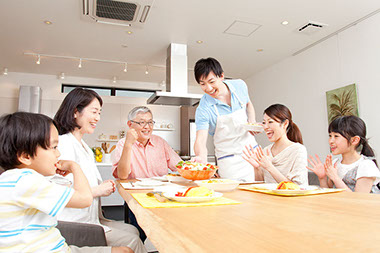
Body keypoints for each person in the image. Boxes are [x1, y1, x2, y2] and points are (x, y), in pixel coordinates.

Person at [0, 112, 132, 253]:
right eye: (54, 148)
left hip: (53, 246)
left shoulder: (12, 179)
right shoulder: (26, 181)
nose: (58, 154)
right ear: (25, 156)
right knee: (125, 251)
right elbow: (85, 199)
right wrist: (74, 166)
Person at [54, 88, 146, 253]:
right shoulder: (63, 144)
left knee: (133, 230)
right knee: (132, 239)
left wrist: (101, 186)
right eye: (94, 112)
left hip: (92, 218)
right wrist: (99, 190)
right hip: (75, 222)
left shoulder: (84, 147)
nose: (97, 118)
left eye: (100, 113)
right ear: (76, 112)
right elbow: (61, 193)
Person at [193, 57, 258, 181]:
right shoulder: (203, 108)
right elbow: (200, 141)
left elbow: (248, 103)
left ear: (221, 76)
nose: (208, 88)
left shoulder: (240, 85)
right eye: (202, 84)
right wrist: (201, 160)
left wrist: (252, 121)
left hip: (253, 155)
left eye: (211, 81)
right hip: (229, 162)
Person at [307, 116, 380, 193]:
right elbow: (329, 194)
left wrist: (335, 178)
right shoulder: (335, 163)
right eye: (330, 136)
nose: (331, 141)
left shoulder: (366, 166)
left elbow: (359, 200)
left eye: (336, 136)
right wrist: (322, 178)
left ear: (354, 140)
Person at [243, 104, 308, 185]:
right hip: (269, 197)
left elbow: (296, 187)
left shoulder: (298, 150)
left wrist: (270, 167)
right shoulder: (266, 151)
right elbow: (262, 184)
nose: (265, 127)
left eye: (270, 122)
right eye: (264, 122)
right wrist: (256, 168)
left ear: (285, 124)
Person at [111, 106, 181, 179]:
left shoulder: (160, 142)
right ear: (130, 124)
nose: (147, 127)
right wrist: (128, 145)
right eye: (142, 122)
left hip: (161, 189)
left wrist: (192, 164)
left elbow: (180, 166)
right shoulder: (123, 144)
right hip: (136, 189)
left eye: (150, 122)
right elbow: (122, 175)